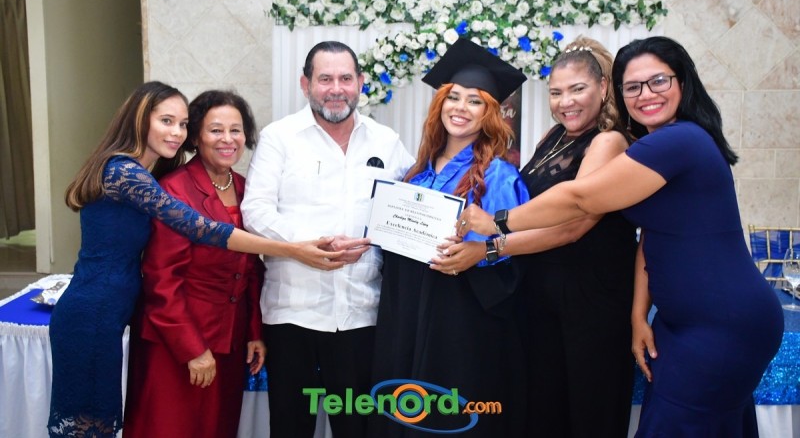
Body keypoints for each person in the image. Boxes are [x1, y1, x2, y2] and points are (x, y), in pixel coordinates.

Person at [458, 36, 784, 437]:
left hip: (722, 320)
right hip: (679, 321)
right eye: (633, 87)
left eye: (658, 81)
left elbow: (580, 200)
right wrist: (638, 316)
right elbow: (651, 237)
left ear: (683, 82)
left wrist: (496, 225)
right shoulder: (652, 142)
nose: (645, 94)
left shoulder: (679, 139)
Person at [48, 81, 347, 438]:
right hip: (109, 318)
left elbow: (250, 270)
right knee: (88, 428)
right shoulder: (128, 174)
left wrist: (254, 331)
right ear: (141, 119)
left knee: (107, 423)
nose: (176, 132)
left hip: (131, 318)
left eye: (182, 123)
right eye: (167, 121)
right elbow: (197, 232)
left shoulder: (230, 184)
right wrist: (294, 249)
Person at [439, 36, 637, 437]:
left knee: (587, 414)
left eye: (577, 89)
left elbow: (572, 226)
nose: (566, 102)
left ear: (603, 87)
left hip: (590, 302)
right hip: (542, 296)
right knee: (544, 414)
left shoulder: (609, 141)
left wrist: (489, 246)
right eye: (556, 92)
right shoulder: (553, 137)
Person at [240, 40, 415, 438]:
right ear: (306, 84)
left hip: (361, 314)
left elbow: (414, 199)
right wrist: (307, 246)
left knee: (358, 428)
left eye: (345, 78)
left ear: (360, 83)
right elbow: (256, 211)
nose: (336, 89)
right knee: (291, 428)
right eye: (325, 79)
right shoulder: (279, 137)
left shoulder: (386, 141)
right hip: (293, 314)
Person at [368, 38, 530, 437]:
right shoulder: (416, 172)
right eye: (453, 97)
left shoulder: (499, 176)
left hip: (460, 321)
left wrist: (476, 252)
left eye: (474, 101)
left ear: (489, 112)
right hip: (407, 311)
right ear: (439, 104)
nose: (460, 108)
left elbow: (512, 258)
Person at [123, 90, 264, 438]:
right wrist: (193, 349)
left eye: (236, 130)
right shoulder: (173, 190)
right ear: (196, 136)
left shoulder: (247, 188)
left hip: (229, 342)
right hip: (178, 344)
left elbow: (252, 269)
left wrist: (254, 333)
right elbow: (161, 281)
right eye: (216, 130)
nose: (228, 139)